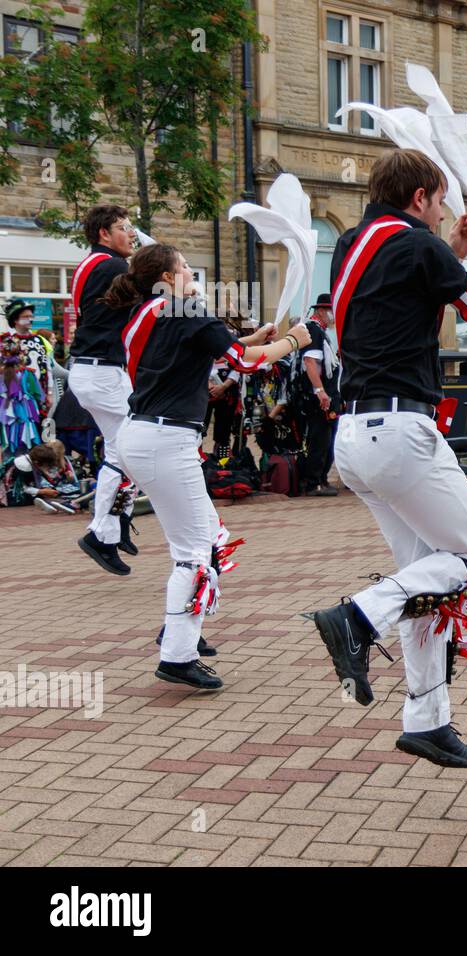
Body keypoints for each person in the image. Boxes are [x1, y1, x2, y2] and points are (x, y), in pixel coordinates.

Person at [308, 148, 467, 770]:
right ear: (421, 196)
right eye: (441, 198)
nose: (446, 208)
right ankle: (357, 617)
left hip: (355, 435)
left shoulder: (350, 244)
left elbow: (404, 282)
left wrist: (446, 246)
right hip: (401, 430)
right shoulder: (420, 248)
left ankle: (428, 719)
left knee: (425, 579)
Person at [108, 242, 309, 690]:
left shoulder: (145, 314)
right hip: (166, 438)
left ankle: (180, 632)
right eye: (185, 268)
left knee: (206, 541)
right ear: (167, 277)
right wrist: (294, 340)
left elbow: (211, 352)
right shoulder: (188, 310)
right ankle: (177, 653)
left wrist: (257, 338)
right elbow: (243, 363)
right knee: (195, 550)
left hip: (143, 434)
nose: (193, 276)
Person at [66, 204, 139, 575]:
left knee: (122, 448)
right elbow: (155, 301)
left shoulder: (93, 263)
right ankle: (104, 530)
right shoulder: (112, 266)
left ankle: (115, 524)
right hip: (103, 373)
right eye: (124, 227)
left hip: (96, 370)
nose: (131, 233)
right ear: (103, 234)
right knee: (133, 446)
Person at [297, 294, 342, 497]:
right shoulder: (313, 330)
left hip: (327, 395)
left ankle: (320, 479)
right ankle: (314, 481)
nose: (334, 317)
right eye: (332, 312)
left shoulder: (320, 331)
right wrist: (320, 390)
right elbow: (310, 362)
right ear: (322, 311)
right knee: (320, 440)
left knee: (327, 439)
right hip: (319, 397)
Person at [25, 440, 83, 513]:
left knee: (77, 489)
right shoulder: (41, 462)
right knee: (48, 492)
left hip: (61, 487)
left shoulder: (64, 462)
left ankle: (60, 504)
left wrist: (70, 477)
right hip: (49, 488)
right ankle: (59, 504)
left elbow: (73, 480)